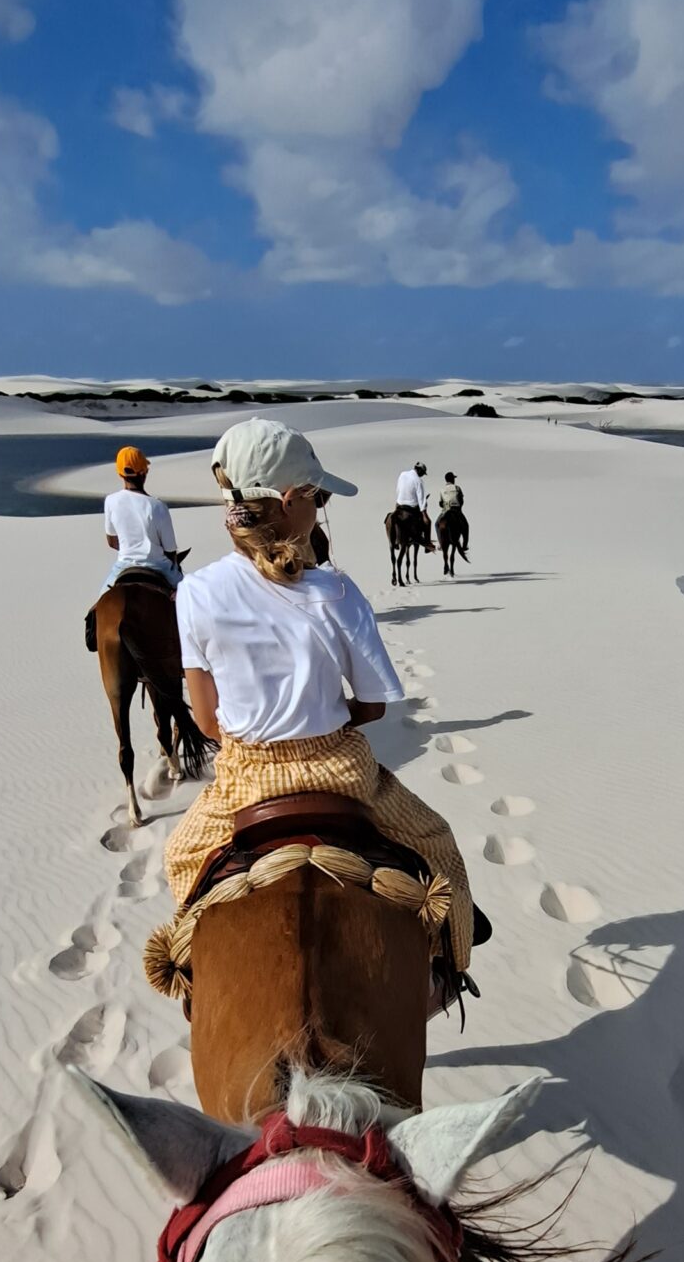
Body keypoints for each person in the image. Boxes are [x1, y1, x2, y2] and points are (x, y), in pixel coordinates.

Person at [162, 418, 475, 980]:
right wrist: (327, 716)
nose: (321, 507)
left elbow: (207, 720)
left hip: (244, 781)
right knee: (439, 845)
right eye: (317, 495)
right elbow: (375, 705)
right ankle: (450, 971)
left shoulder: (196, 592)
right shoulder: (336, 590)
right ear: (289, 500)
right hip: (342, 773)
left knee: (181, 858)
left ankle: (193, 983)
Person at [101, 445, 180, 591]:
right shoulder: (158, 506)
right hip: (159, 567)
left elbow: (112, 542)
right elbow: (170, 550)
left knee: (99, 605)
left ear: (120, 474)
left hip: (123, 566)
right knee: (189, 599)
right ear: (144, 472)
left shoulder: (111, 501)